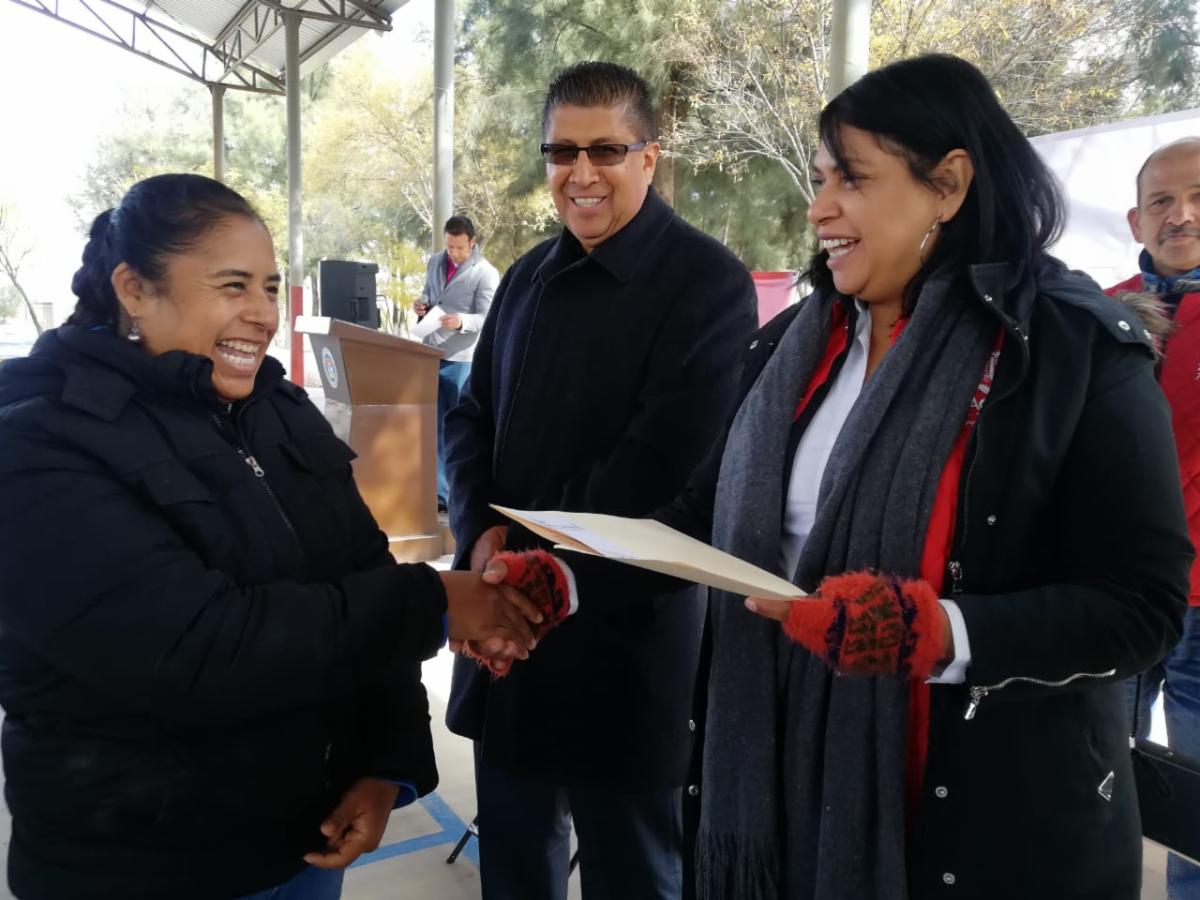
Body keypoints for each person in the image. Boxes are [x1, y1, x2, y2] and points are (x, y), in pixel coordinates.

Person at [482, 55, 1193, 899]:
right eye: (820, 180)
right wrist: (566, 578)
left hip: (979, 827)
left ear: (948, 185)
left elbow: (1141, 606)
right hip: (779, 785)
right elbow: (701, 520)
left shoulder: (1070, 348)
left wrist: (936, 633)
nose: (818, 208)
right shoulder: (795, 344)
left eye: (850, 179)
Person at [0, 174, 541, 900]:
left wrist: (383, 763)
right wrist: (438, 603)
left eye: (269, 288)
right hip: (143, 865)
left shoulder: (277, 407)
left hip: (302, 845)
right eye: (233, 286)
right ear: (134, 289)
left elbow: (364, 572)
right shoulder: (40, 437)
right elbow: (196, 647)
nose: (261, 314)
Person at [443, 62, 758, 900]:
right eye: (562, 152)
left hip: (623, 639)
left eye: (606, 150)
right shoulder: (526, 278)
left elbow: (666, 468)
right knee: (515, 863)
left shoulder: (706, 283)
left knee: (634, 873)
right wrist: (478, 532)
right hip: (507, 633)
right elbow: (470, 417)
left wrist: (524, 569)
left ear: (649, 156)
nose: (581, 173)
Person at [1105, 136, 1200, 899]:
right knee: (1102, 770)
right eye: (1162, 201)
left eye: (1198, 199)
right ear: (1137, 220)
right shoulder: (1097, 311)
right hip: (1112, 593)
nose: (1181, 216)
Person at [413, 215, 500, 512]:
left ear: (472, 243)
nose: (453, 253)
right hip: (430, 352)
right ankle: (441, 494)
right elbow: (429, 293)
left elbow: (488, 317)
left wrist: (462, 321)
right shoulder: (435, 261)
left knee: (459, 429)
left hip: (461, 359)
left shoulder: (486, 274)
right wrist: (422, 304)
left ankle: (461, 494)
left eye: (459, 248)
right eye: (449, 246)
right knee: (435, 426)